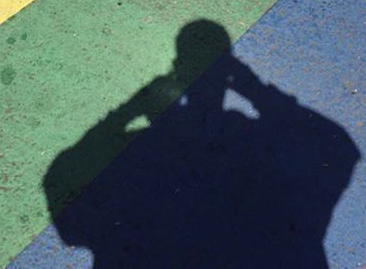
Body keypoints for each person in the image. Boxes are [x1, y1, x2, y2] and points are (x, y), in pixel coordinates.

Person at [44, 20, 360, 268]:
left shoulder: (140, 151)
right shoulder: (248, 142)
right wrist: (256, 89)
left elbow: (65, 195)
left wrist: (128, 111)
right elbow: (337, 147)